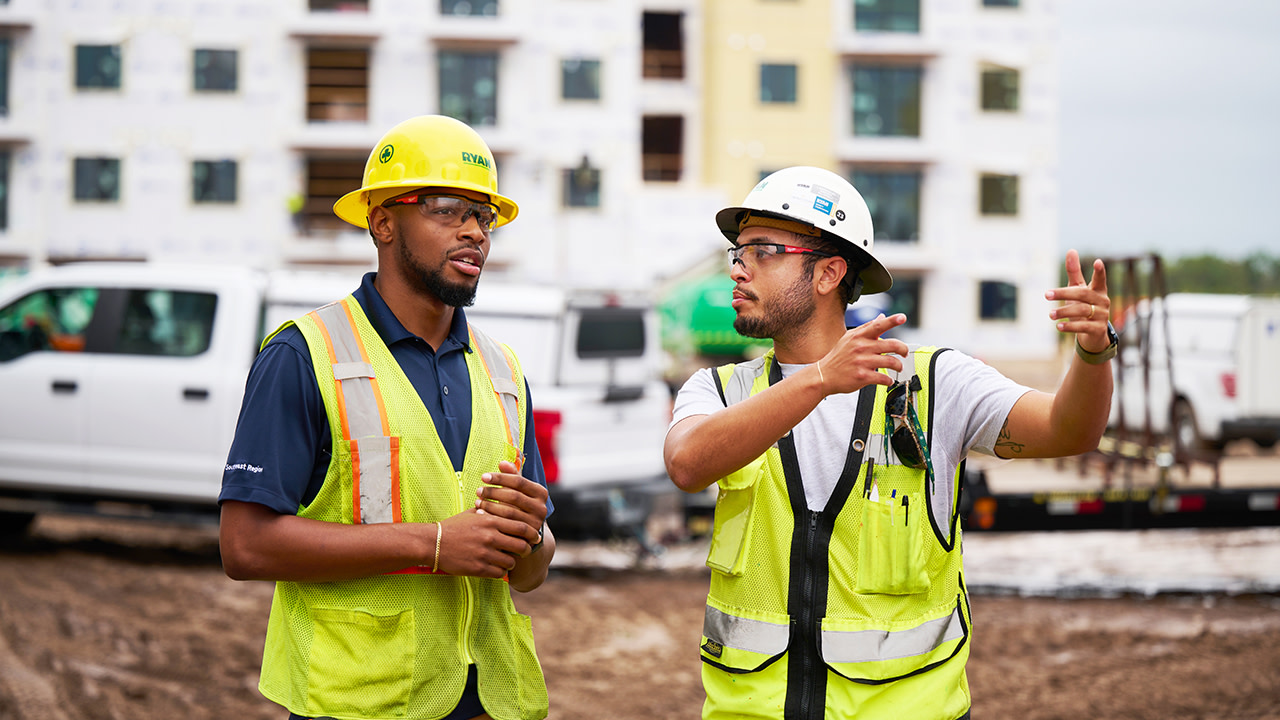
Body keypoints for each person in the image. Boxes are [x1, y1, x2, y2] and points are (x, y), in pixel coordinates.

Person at [663, 166, 1117, 720]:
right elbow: (686, 463)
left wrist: (1093, 355)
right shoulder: (717, 390)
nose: (737, 270)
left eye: (761, 251)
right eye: (737, 252)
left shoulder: (932, 386)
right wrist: (820, 378)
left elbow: (1071, 430)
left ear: (829, 273)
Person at [219, 115, 555, 720]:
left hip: (487, 700)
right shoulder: (304, 354)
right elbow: (244, 547)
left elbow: (528, 573)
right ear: (383, 222)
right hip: (359, 701)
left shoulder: (502, 371)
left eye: (484, 216)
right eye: (448, 209)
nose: (475, 232)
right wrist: (432, 545)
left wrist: (531, 536)